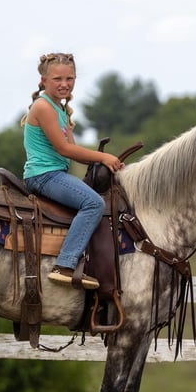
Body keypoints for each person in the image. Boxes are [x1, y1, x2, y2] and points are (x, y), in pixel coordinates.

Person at [21, 52, 124, 290]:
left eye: (70, 78)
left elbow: (73, 149)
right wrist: (104, 157)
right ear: (43, 80)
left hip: (57, 174)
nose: (65, 84)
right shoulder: (44, 107)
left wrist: (106, 164)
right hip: (44, 175)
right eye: (58, 79)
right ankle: (65, 265)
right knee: (94, 203)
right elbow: (64, 149)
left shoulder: (60, 109)